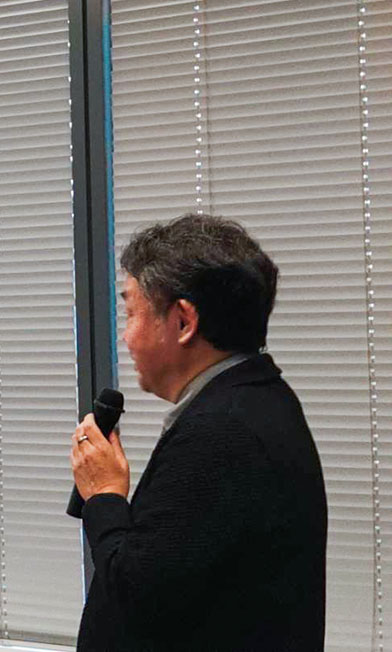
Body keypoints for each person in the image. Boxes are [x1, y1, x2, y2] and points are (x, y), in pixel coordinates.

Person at [70, 214, 326, 651]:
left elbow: (140, 596)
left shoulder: (224, 432)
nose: (126, 337)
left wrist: (105, 497)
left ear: (183, 322)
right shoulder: (256, 402)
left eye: (130, 313)